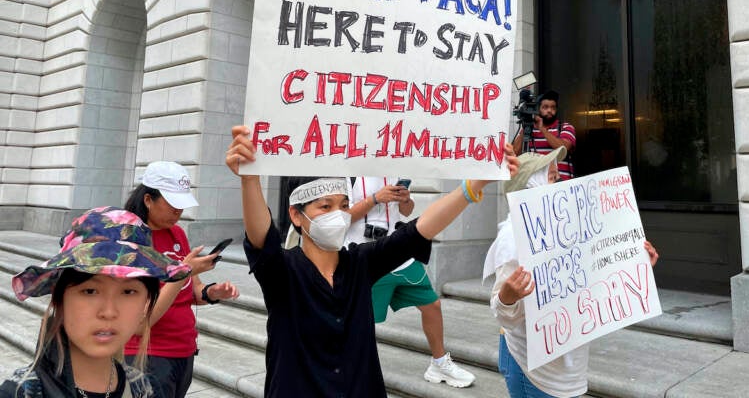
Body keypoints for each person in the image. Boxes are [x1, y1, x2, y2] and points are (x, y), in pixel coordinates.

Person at [225, 125, 519, 397]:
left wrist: (476, 184)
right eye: (324, 207)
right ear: (295, 216)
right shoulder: (283, 272)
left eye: (342, 205)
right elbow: (262, 236)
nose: (337, 215)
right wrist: (249, 180)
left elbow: (419, 229)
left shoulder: (359, 263)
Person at [485, 148, 659, 397]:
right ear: (529, 186)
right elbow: (504, 315)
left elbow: (595, 278)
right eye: (553, 178)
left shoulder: (570, 230)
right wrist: (508, 297)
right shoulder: (512, 237)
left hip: (567, 363)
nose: (561, 183)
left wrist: (635, 266)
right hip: (532, 369)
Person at [0, 206, 192, 398]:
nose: (109, 312)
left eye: (128, 291)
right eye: (90, 291)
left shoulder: (144, 389)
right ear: (60, 299)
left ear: (146, 302)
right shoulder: (23, 392)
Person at [344, 176, 476, 388]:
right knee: (360, 321)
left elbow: (406, 211)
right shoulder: (347, 173)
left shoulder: (395, 169)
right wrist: (375, 199)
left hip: (399, 252)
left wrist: (405, 200)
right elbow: (340, 219)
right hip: (363, 255)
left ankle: (440, 362)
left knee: (432, 304)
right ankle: (348, 371)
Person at [122, 161, 240, 398]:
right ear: (148, 200)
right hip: (147, 354)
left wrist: (212, 292)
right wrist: (184, 271)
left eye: (182, 205)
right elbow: (140, 322)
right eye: (172, 205)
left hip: (183, 350)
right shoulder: (130, 241)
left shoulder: (177, 234)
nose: (178, 212)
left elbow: (191, 291)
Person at [512, 89, 576, 180]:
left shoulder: (565, 127)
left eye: (553, 107)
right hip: (535, 187)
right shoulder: (528, 129)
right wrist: (526, 125)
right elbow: (514, 154)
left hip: (560, 186)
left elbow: (564, 148)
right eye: (545, 107)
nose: (550, 110)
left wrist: (542, 129)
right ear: (538, 109)